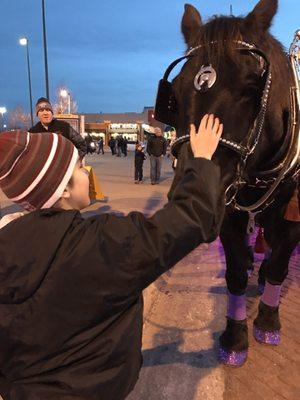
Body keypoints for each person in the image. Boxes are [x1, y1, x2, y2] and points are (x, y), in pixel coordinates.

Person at [0, 115, 223, 400]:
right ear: (64, 188)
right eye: (80, 168)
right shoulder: (102, 242)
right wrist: (201, 160)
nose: (88, 173)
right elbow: (188, 220)